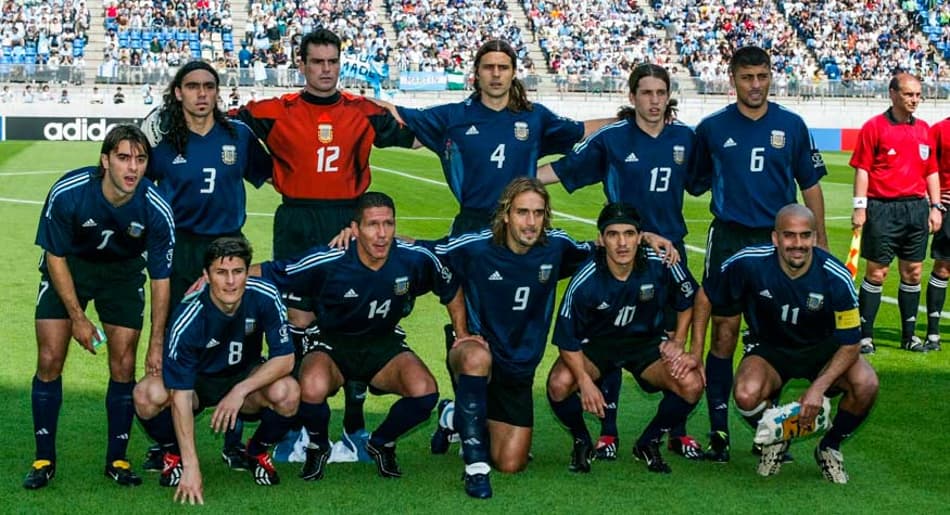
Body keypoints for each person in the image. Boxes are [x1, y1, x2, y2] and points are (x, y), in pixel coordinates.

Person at [370, 39, 612, 454]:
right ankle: (464, 412)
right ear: (477, 73)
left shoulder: (534, 119)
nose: (496, 74)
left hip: (522, 230)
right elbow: (396, 114)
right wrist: (348, 99)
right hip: (473, 228)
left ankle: (469, 414)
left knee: (513, 319)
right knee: (467, 324)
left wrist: (627, 117)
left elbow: (579, 130)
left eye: (503, 67)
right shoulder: (453, 116)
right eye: (489, 67)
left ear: (513, 73)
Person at [233, 29, 415, 447]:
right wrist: (262, 169)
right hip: (297, 220)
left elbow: (418, 134)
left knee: (352, 316)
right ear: (301, 64)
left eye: (332, 62)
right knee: (298, 317)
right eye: (317, 62)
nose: (326, 70)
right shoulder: (274, 110)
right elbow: (224, 127)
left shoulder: (362, 111)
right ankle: (296, 420)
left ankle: (353, 422)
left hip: (347, 221)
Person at [538, 62, 705, 462]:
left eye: (660, 93)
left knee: (672, 346)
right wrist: (511, 178)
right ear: (632, 97)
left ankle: (674, 432)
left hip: (669, 255)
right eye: (646, 93)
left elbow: (705, 180)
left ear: (669, 96)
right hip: (621, 250)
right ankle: (607, 431)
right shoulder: (612, 138)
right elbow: (563, 169)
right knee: (612, 334)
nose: (654, 101)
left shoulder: (685, 138)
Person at [689, 46, 829, 462]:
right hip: (730, 238)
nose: (755, 85)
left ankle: (770, 429)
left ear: (771, 77)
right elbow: (693, 182)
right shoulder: (711, 129)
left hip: (778, 243)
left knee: (777, 330)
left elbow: (811, 186)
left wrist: (821, 241)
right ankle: (718, 432)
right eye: (747, 77)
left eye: (762, 76)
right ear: (732, 78)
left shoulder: (792, 125)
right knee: (725, 332)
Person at [253, 192, 455, 481]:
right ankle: (318, 446)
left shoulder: (411, 258)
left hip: (383, 344)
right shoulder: (331, 259)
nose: (382, 233)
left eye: (388, 224)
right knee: (311, 386)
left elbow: (449, 279)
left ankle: (381, 442)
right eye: (373, 224)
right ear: (355, 229)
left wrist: (462, 332)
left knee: (425, 392)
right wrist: (218, 277)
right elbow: (274, 271)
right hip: (332, 344)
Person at [25, 124, 175, 489]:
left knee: (123, 362)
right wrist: (77, 318)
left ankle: (117, 459)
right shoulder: (70, 192)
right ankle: (43, 458)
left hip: (122, 275)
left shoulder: (156, 207)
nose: (132, 167)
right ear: (105, 160)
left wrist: (157, 342)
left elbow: (160, 279)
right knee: (49, 358)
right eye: (123, 158)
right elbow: (55, 256)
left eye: (140, 159)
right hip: (70, 268)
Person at [141, 59, 273, 471]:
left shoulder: (239, 135)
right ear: (178, 92)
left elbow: (273, 176)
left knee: (237, 337)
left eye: (209, 86)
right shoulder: (164, 141)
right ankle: (169, 443)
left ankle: (233, 439)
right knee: (176, 336)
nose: (202, 93)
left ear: (218, 92)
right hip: (181, 248)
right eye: (193, 86)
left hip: (229, 248)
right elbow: (137, 186)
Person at [434, 178, 595, 498]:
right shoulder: (476, 246)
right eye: (522, 212)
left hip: (520, 366)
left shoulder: (557, 246)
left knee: (511, 463)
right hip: (478, 352)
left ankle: (453, 415)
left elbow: (606, 249)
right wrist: (462, 329)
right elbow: (425, 253)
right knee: (476, 356)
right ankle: (476, 469)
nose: (531, 222)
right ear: (506, 214)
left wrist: (646, 236)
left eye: (538, 213)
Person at [703, 204, 879, 484]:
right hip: (770, 349)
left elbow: (851, 344)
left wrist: (817, 390)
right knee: (746, 394)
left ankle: (829, 446)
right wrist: (690, 348)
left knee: (866, 383)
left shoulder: (836, 275)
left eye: (805, 235)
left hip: (823, 350)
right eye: (789, 235)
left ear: (814, 237)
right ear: (775, 238)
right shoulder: (748, 262)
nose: (798, 244)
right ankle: (778, 438)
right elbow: (706, 293)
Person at [133, 237, 298, 504]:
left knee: (288, 391)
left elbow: (286, 358)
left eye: (238, 271)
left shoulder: (266, 294)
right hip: (198, 383)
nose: (230, 281)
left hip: (245, 378)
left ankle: (257, 450)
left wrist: (239, 390)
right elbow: (181, 396)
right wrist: (192, 466)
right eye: (221, 272)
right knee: (146, 394)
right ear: (207, 276)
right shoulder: (189, 316)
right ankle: (174, 453)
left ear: (247, 272)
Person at [547, 203, 703, 475]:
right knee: (559, 384)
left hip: (645, 344)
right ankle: (582, 440)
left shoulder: (660, 260)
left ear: (640, 237)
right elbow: (566, 338)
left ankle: (649, 441)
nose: (622, 243)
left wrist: (679, 341)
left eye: (629, 234)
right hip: (598, 346)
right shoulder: (586, 278)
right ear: (601, 239)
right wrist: (584, 381)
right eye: (613, 234)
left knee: (691, 383)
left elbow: (691, 297)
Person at [851, 73, 941, 354]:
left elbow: (932, 171)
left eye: (918, 95)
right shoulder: (874, 127)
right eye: (908, 94)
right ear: (892, 94)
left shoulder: (924, 129)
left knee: (913, 272)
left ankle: (909, 337)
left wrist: (936, 206)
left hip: (916, 209)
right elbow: (862, 169)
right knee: (877, 272)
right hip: (882, 209)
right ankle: (865, 336)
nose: (915, 100)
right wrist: (860, 207)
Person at [925, 115, 950, 351]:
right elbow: (926, 166)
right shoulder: (940, 130)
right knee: (943, 267)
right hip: (948, 205)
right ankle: (933, 333)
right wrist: (934, 203)